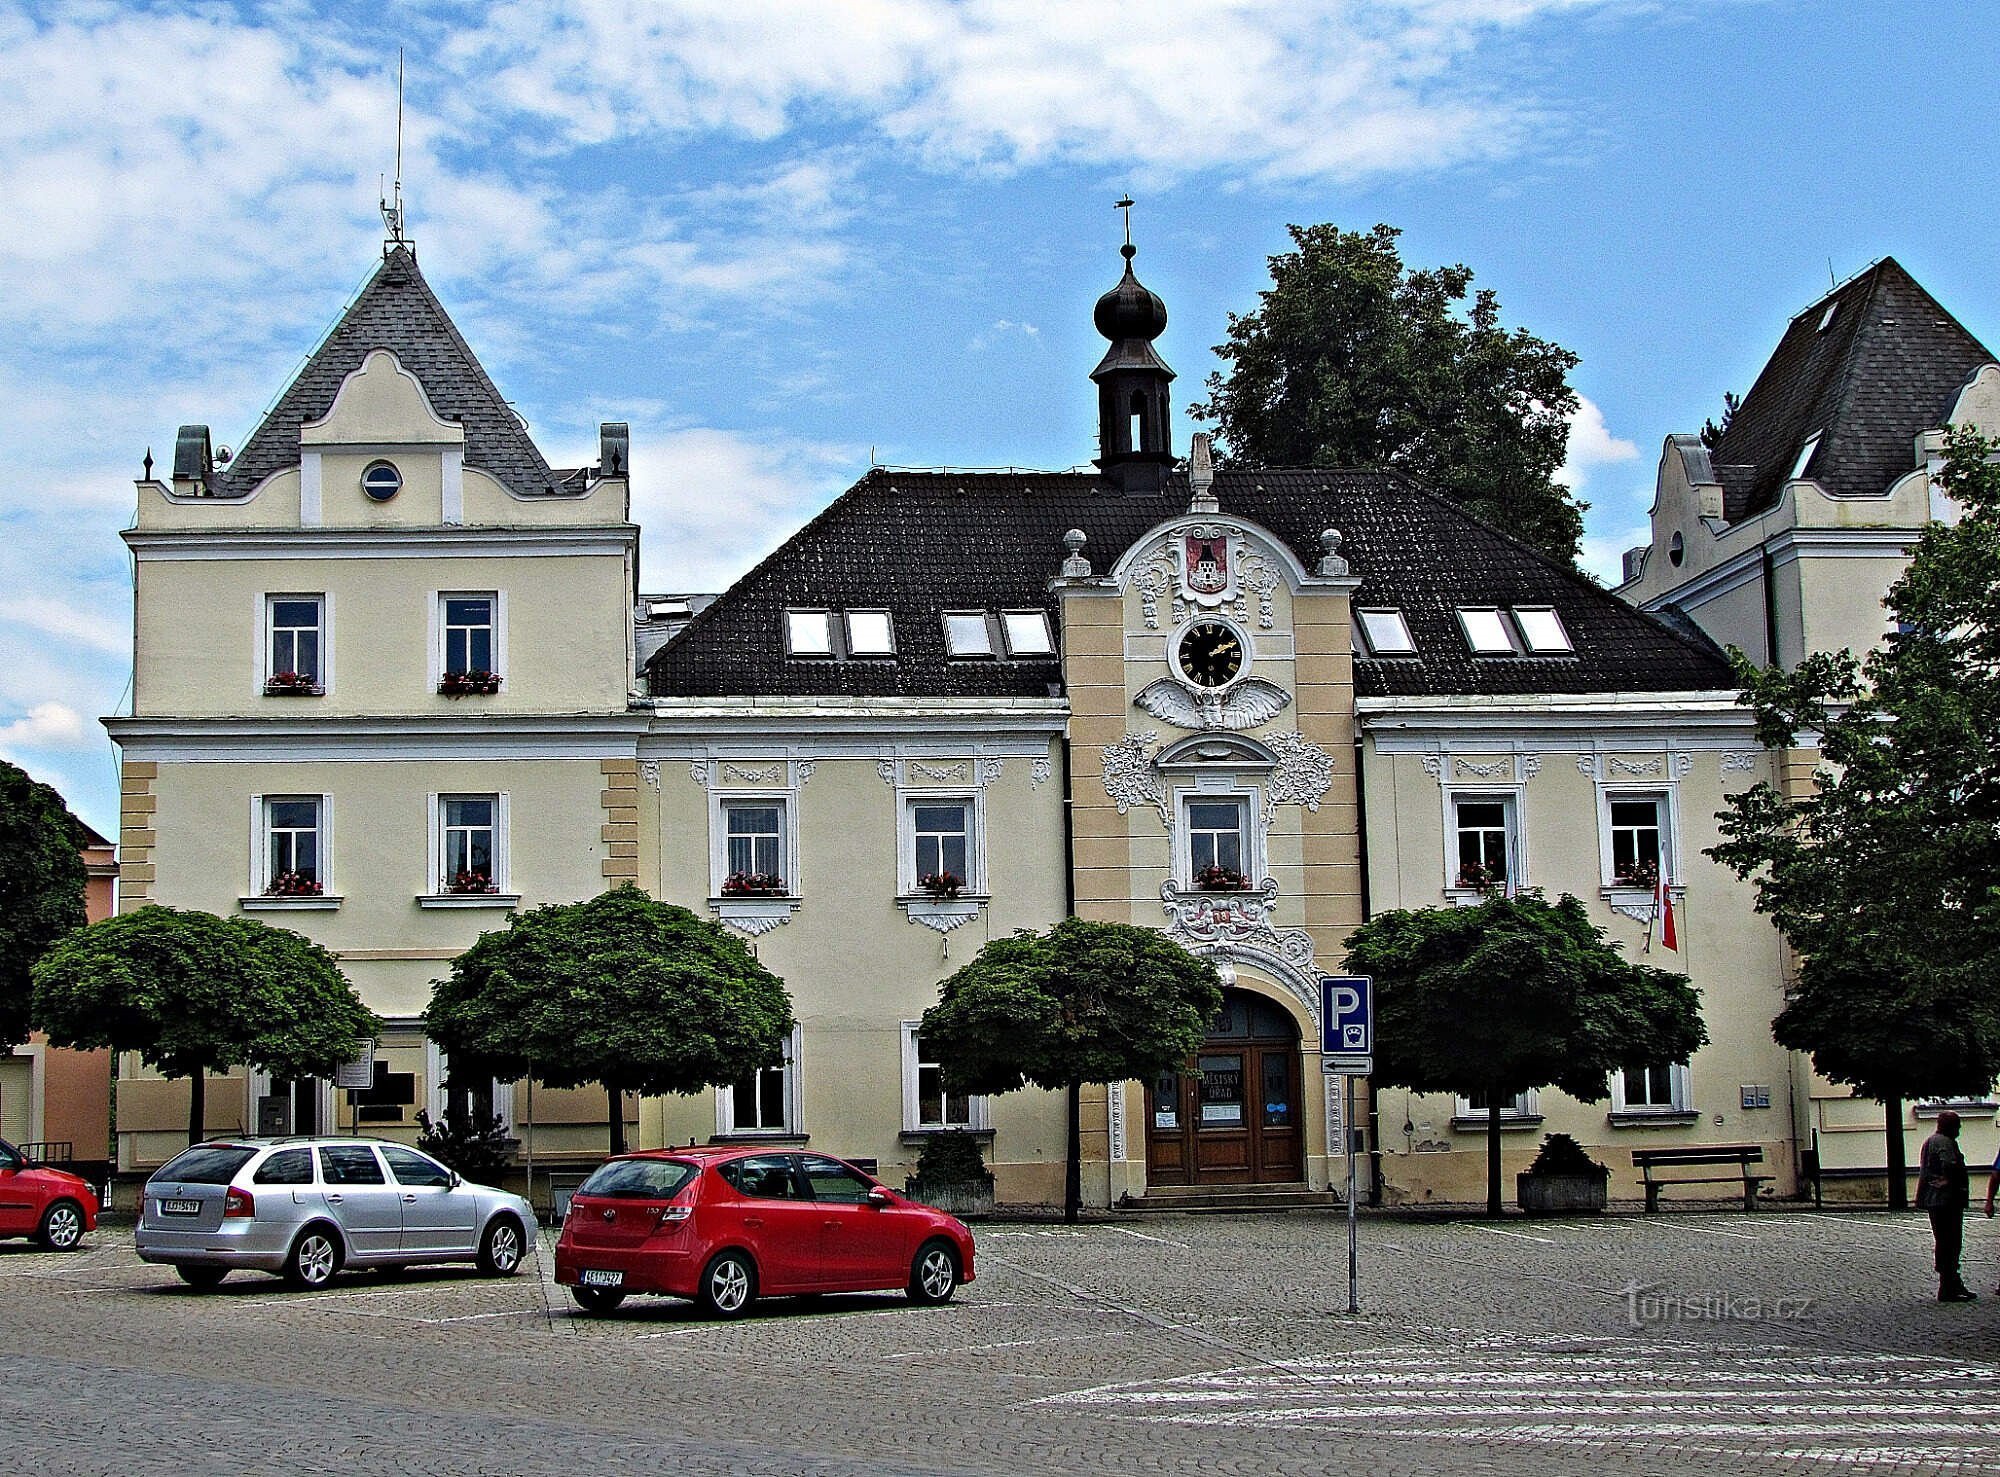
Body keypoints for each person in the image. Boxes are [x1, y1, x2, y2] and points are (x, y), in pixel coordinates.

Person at [1917, 1109, 1975, 1302]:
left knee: (1945, 1241)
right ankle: (1948, 1285)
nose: (1959, 1129)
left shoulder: (1931, 1141)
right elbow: (1949, 1165)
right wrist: (1953, 1183)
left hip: (1936, 1200)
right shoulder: (1944, 1142)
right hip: (1945, 1200)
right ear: (1948, 1126)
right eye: (1957, 1125)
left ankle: (1952, 1282)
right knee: (1950, 1241)